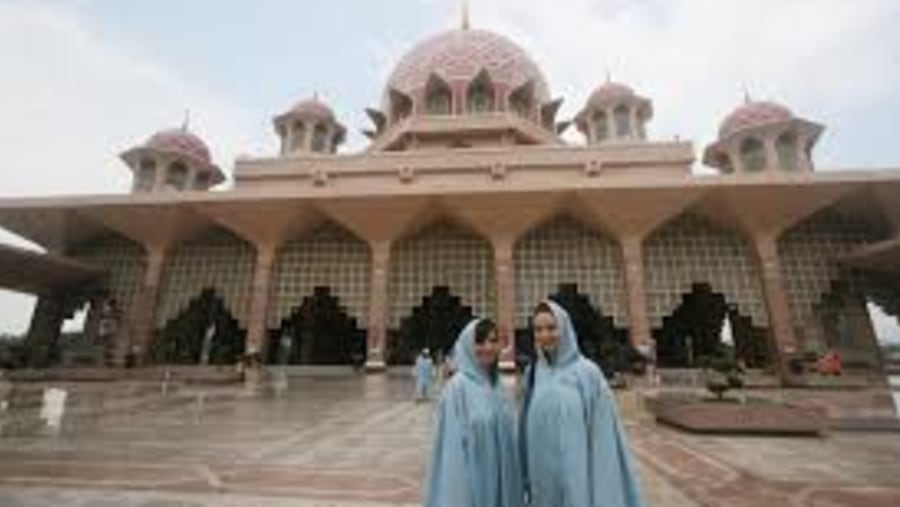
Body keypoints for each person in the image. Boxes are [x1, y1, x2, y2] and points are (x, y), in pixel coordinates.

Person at [521, 300, 647, 507]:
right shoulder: (533, 375)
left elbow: (603, 437)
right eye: (538, 329)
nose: (545, 335)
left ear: (565, 329)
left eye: (552, 328)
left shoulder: (587, 374)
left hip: (579, 482)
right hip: (543, 484)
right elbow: (524, 433)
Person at [423, 319, 522, 507]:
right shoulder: (457, 389)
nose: (488, 347)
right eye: (480, 342)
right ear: (468, 345)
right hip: (473, 490)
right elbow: (452, 454)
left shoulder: (498, 388)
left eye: (493, 341)